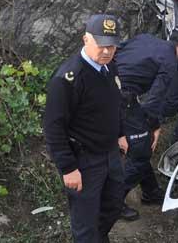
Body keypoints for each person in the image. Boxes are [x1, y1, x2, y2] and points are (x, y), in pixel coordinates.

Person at [43, 14, 128, 243]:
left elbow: (114, 103)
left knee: (113, 205)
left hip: (110, 153)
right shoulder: (68, 79)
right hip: (85, 160)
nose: (107, 52)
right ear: (85, 40)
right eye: (101, 45)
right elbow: (53, 127)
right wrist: (68, 168)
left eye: (111, 46)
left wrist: (120, 133)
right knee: (85, 221)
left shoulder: (110, 68)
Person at [114, 25, 178, 220]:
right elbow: (153, 101)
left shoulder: (144, 37)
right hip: (119, 98)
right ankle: (112, 202)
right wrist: (154, 127)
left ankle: (151, 191)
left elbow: (117, 51)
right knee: (142, 151)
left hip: (106, 86)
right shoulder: (170, 62)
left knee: (139, 147)